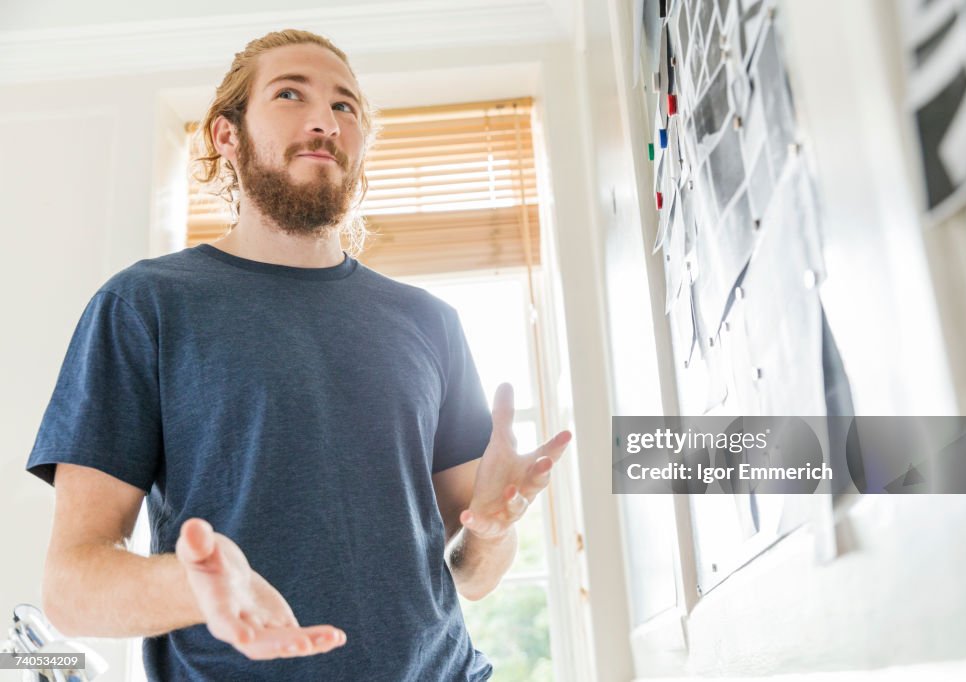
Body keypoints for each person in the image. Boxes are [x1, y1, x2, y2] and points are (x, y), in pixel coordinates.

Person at [25, 29, 571, 681]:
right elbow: (72, 587)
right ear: (226, 135)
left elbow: (472, 578)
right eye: (290, 94)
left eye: (346, 106)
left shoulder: (430, 323)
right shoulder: (142, 306)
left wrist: (491, 529)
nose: (324, 121)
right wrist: (196, 588)